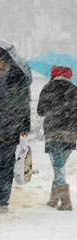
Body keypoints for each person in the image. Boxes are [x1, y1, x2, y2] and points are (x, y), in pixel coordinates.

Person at [0, 47, 31, 214]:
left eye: (5, 62)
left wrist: (25, 125)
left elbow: (25, 104)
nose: (1, 65)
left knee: (6, 167)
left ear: (11, 64)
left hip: (11, 129)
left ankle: (3, 201)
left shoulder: (19, 81)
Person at [37, 65, 77, 211]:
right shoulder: (74, 89)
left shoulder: (48, 88)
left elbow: (40, 111)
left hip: (53, 132)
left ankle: (65, 200)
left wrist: (53, 108)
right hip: (71, 133)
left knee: (58, 166)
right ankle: (53, 199)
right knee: (59, 166)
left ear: (53, 74)